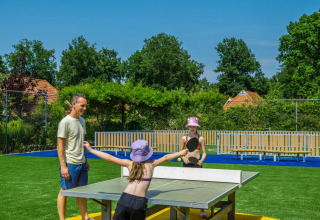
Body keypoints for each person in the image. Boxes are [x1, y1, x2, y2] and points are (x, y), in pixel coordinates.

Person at [83, 139, 188, 220]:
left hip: (124, 200)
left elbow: (109, 158)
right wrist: (180, 153)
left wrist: (91, 150)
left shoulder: (130, 164)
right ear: (147, 153)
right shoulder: (151, 164)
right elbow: (166, 157)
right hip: (139, 203)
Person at [57, 94, 93, 220]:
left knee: (81, 191)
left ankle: (86, 217)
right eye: (82, 106)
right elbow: (60, 146)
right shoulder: (65, 122)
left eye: (85, 106)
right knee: (64, 191)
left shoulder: (82, 121)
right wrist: (63, 166)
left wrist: (86, 160)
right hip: (70, 163)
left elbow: (81, 142)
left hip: (82, 163)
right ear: (74, 104)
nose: (84, 108)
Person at [179, 117, 207, 218]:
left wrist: (201, 161)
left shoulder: (201, 138)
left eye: (194, 126)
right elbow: (181, 152)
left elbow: (204, 153)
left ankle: (202, 210)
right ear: (188, 127)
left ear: (197, 127)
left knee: (199, 187)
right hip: (186, 164)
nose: (192, 128)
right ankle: (185, 209)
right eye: (190, 126)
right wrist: (183, 158)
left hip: (197, 164)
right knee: (185, 186)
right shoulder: (184, 138)